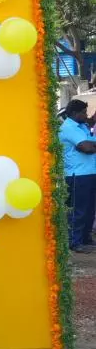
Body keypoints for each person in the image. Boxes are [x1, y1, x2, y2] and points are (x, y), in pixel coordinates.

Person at [59, 100, 96, 252]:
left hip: (89, 173)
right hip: (77, 175)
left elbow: (91, 143)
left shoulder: (82, 126)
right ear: (75, 113)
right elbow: (86, 147)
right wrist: (90, 145)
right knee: (78, 210)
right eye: (83, 113)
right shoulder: (68, 127)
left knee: (89, 209)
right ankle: (75, 242)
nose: (86, 115)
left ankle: (85, 238)